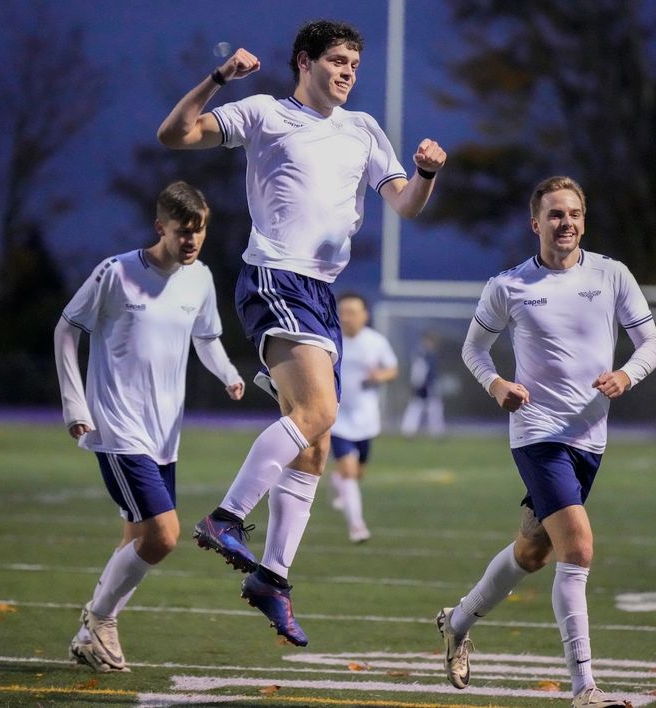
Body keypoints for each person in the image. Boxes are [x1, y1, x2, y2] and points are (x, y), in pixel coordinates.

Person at [157, 19, 446, 647]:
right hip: (274, 279)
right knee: (320, 410)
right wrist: (216, 79)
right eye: (337, 60)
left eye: (354, 64)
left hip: (319, 293)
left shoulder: (363, 129)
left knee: (314, 443)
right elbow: (175, 134)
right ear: (304, 62)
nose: (347, 72)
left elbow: (405, 205)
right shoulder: (264, 112)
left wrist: (424, 173)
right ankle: (225, 516)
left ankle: (272, 579)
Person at [434, 176, 656, 707]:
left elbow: (649, 343)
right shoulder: (508, 286)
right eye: (556, 214)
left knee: (533, 552)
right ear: (535, 223)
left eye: (575, 213)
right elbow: (474, 350)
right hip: (537, 434)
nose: (567, 223)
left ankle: (458, 621)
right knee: (577, 547)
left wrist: (625, 376)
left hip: (590, 438)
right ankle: (584, 687)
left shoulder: (612, 274)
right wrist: (497, 385)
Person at [54, 181, 245, 672]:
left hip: (165, 435)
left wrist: (228, 373)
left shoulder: (199, 278)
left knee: (136, 535)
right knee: (163, 535)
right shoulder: (116, 273)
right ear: (160, 227)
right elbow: (66, 328)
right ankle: (100, 619)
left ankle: (87, 636)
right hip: (118, 427)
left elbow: (207, 337)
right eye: (183, 232)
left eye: (199, 233)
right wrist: (76, 405)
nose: (192, 242)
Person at [326, 292, 398, 543]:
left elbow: (392, 368)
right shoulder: (330, 340)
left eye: (352, 312)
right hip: (336, 417)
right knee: (348, 469)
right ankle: (357, 526)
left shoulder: (375, 342)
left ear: (364, 315)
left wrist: (379, 376)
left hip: (366, 419)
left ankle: (337, 480)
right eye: (342, 312)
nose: (346, 317)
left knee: (357, 473)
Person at [399, 331, 445, 437]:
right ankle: (409, 431)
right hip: (424, 386)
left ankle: (435, 432)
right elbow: (419, 372)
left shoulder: (426, 354)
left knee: (431, 408)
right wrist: (418, 384)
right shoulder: (423, 355)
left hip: (427, 385)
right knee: (419, 407)